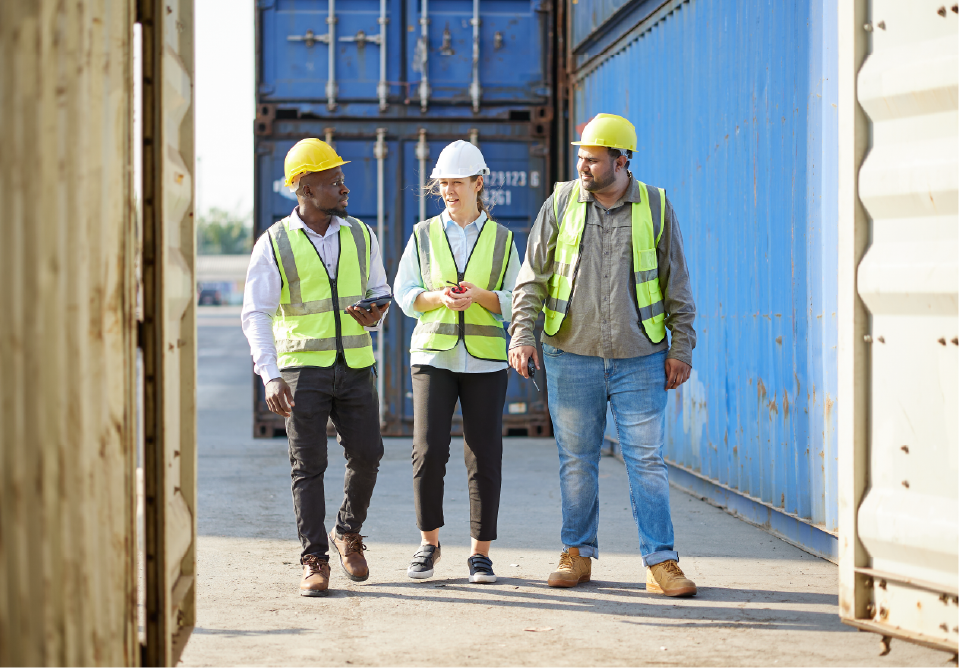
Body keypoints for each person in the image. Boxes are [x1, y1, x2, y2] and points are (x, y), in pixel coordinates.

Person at [508, 113, 698, 596]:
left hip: (640, 358)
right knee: (577, 462)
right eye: (580, 158)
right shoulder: (562, 202)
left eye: (592, 160)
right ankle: (576, 553)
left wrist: (681, 347)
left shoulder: (655, 205)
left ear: (621, 159)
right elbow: (532, 276)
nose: (582, 167)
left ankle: (661, 563)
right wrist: (522, 336)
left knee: (647, 462)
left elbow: (677, 283)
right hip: (571, 356)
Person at [242, 138, 391, 597]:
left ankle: (347, 531)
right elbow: (256, 313)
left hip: (355, 365)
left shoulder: (361, 234)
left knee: (368, 454)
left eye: (341, 180)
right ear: (304, 188)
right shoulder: (274, 243)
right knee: (308, 465)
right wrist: (269, 373)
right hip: (301, 372)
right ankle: (314, 559)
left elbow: (380, 291)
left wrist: (376, 312)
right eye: (333, 181)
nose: (344, 188)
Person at [393, 140, 521, 584]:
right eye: (442, 184)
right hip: (433, 355)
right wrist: (438, 298)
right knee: (427, 452)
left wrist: (480, 297)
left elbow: (515, 300)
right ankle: (428, 545)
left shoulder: (504, 240)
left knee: (484, 456)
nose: (448, 190)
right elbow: (405, 293)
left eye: (456, 183)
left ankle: (480, 554)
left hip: (486, 360)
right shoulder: (422, 234)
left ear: (478, 183)